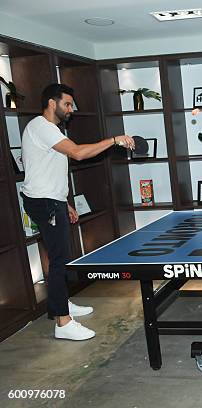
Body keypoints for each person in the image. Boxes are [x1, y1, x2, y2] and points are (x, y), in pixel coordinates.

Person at [21, 83, 135, 341]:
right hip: (44, 203)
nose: (71, 109)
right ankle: (62, 322)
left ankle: (62, 304)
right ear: (52, 103)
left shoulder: (51, 130)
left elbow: (48, 170)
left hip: (52, 201)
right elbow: (78, 153)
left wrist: (65, 202)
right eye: (67, 104)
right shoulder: (42, 127)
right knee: (59, 259)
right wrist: (114, 140)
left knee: (62, 256)